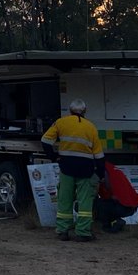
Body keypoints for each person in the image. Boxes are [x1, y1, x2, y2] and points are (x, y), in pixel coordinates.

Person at [41, 99, 105, 242]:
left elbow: (45, 140)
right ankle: (83, 232)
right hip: (86, 169)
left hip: (66, 167)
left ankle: (63, 231)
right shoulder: (91, 127)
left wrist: (53, 157)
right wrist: (100, 173)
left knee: (64, 199)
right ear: (85, 112)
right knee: (85, 202)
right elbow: (99, 155)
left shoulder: (61, 122)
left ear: (70, 111)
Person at [95, 161, 138, 232]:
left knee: (93, 204)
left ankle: (107, 225)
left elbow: (94, 193)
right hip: (131, 207)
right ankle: (116, 221)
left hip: (121, 206)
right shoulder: (110, 168)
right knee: (103, 204)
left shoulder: (101, 171)